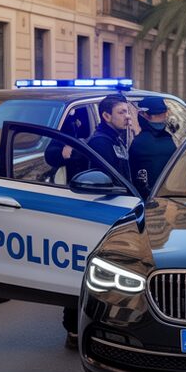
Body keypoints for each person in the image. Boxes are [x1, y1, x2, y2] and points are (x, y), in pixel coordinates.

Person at [63, 94, 133, 349]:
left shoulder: (116, 138)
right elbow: (108, 181)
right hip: (101, 213)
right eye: (121, 113)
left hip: (117, 211)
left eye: (128, 112)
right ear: (106, 116)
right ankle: (73, 328)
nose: (127, 117)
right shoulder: (102, 142)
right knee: (86, 271)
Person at [129, 96, 177, 200]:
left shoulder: (139, 143)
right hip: (174, 198)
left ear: (143, 115)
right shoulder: (173, 140)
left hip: (150, 200)